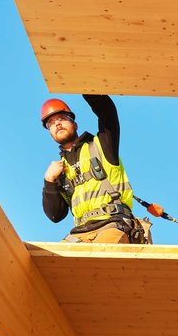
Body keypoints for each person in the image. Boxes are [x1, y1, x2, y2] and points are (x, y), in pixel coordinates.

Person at [41, 94, 143, 244]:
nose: (57, 124)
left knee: (101, 255)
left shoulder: (102, 145)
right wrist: (49, 181)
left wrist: (84, 85)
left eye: (62, 118)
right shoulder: (58, 171)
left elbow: (107, 112)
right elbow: (55, 216)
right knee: (54, 261)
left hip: (112, 223)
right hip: (81, 232)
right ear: (50, 133)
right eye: (51, 123)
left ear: (75, 125)